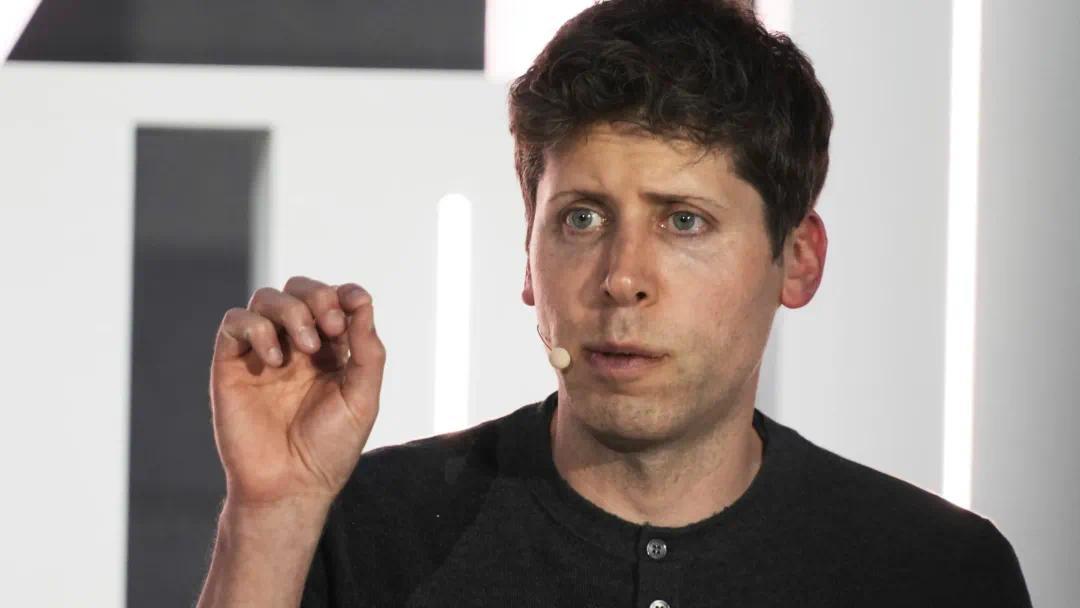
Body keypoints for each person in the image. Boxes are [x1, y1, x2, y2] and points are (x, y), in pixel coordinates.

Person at [196, 0, 1032, 606]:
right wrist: (269, 515)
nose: (622, 277)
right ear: (529, 256)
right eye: (582, 218)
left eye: (684, 221)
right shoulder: (369, 527)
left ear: (798, 260)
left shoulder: (936, 572)